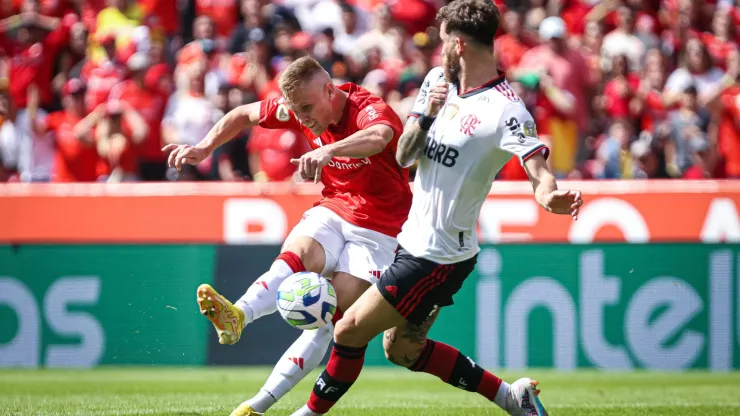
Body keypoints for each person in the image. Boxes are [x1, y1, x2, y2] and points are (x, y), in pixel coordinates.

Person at [289, 1, 583, 415]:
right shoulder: (435, 83)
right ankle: (512, 398)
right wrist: (425, 113)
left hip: (439, 255)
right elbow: (406, 156)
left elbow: (539, 172)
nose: (438, 49)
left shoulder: (505, 109)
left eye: (444, 41)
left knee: (350, 328)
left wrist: (550, 196)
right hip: (411, 242)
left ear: (459, 44)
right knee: (403, 349)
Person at [163, 55, 412, 416]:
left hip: (380, 227)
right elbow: (244, 115)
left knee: (329, 322)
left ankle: (259, 406)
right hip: (336, 205)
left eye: (308, 108)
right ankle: (239, 316)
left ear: (330, 90)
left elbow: (379, 137)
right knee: (295, 255)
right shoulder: (298, 107)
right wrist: (205, 147)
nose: (303, 117)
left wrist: (329, 149)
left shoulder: (366, 108)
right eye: (297, 110)